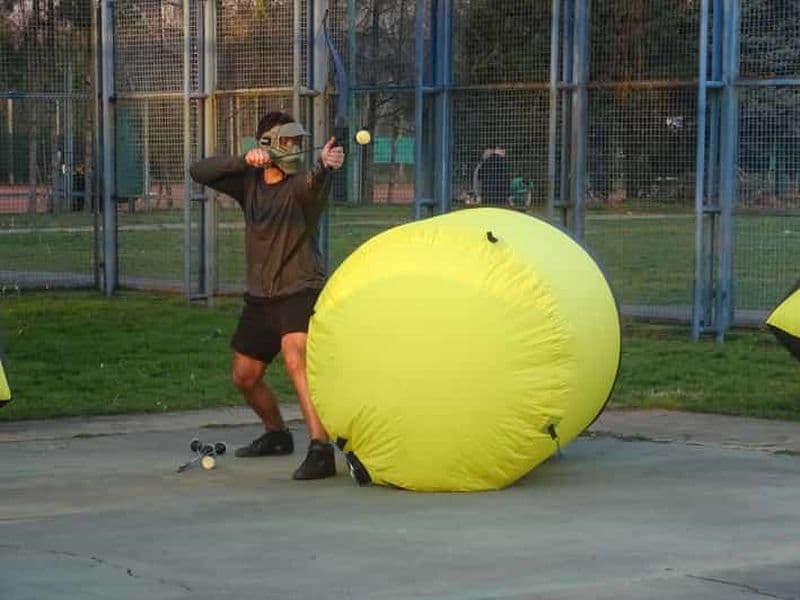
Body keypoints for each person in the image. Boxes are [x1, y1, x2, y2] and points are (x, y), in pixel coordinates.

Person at [189, 111, 345, 480]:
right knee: (244, 376)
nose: (295, 148)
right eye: (288, 141)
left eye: (298, 143)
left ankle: (320, 448)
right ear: (267, 143)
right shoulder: (250, 183)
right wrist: (243, 159)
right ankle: (277, 434)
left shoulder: (300, 185)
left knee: (296, 357)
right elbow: (199, 171)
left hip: (300, 289)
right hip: (260, 298)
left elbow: (314, 181)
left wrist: (325, 165)